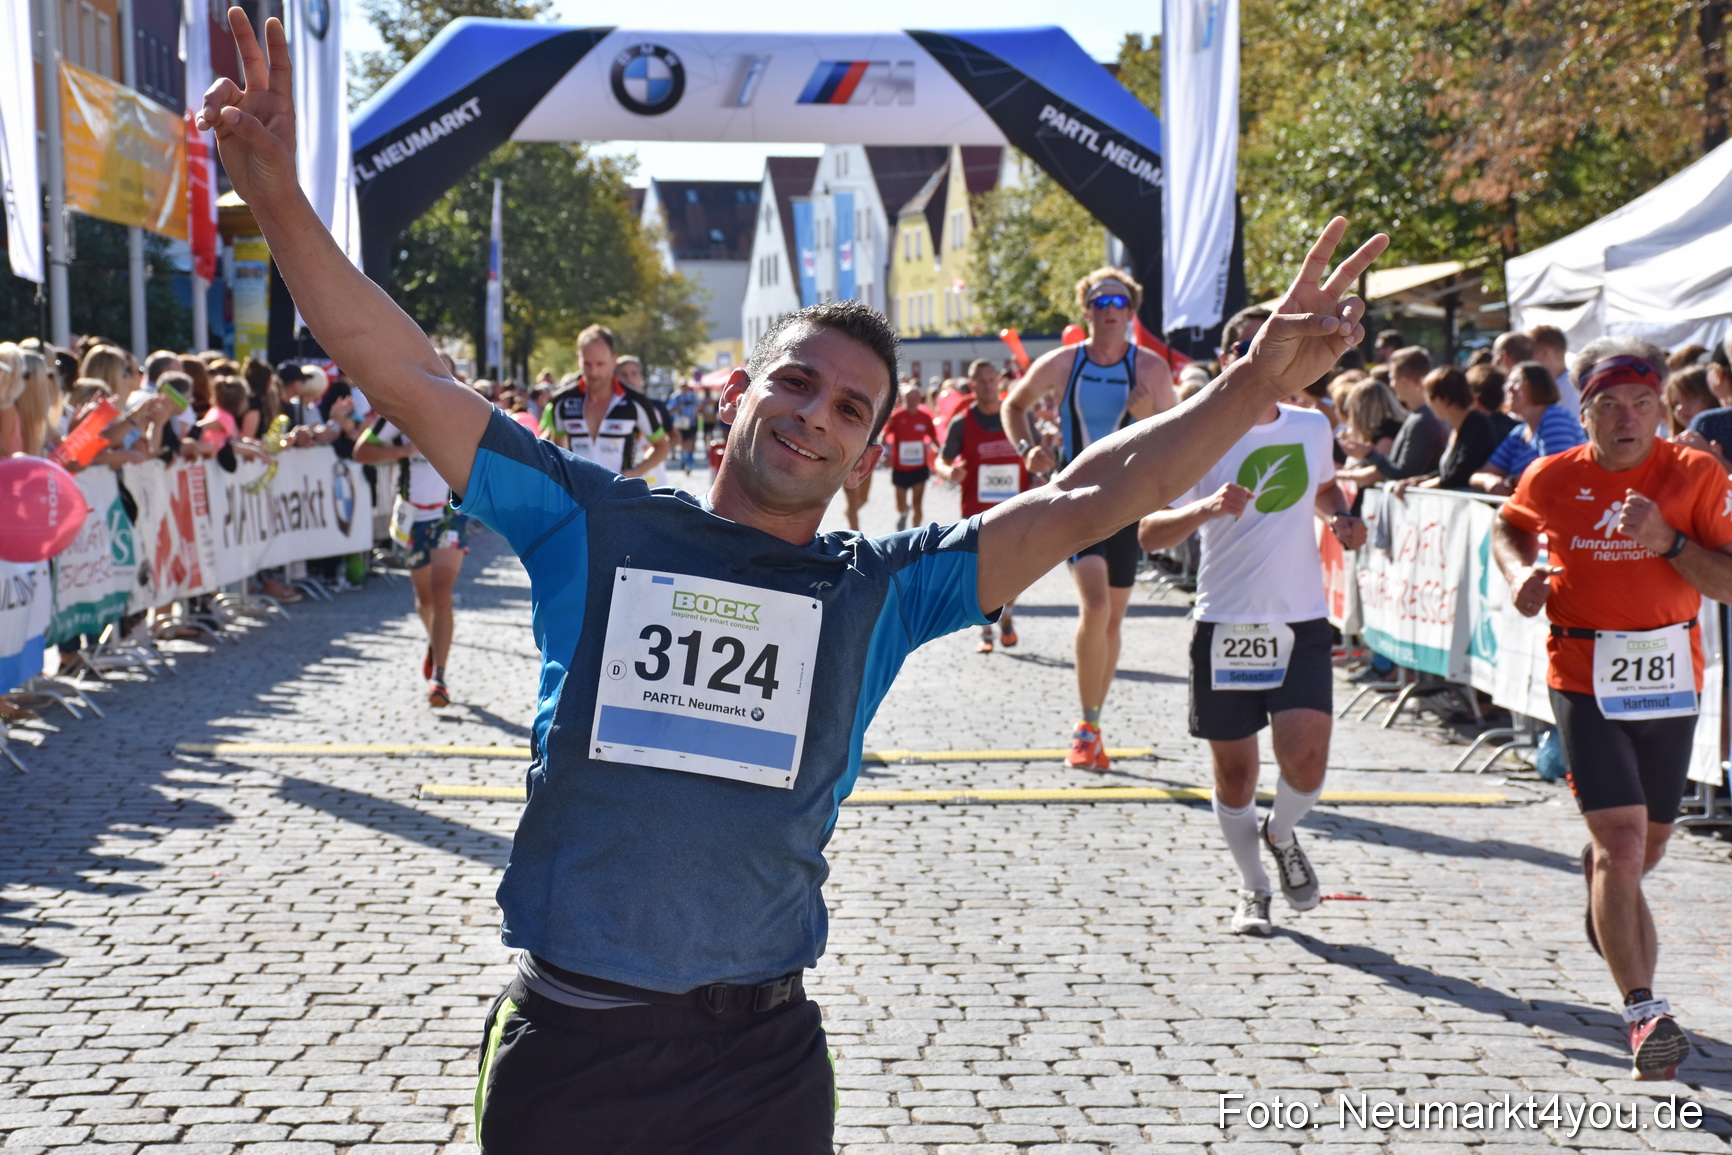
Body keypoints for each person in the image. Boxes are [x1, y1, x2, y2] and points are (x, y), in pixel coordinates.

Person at [197, 19, 1383, 1142]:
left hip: (760, 1066)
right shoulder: (592, 523)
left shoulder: (882, 588)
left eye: (851, 408)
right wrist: (280, 197)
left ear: (871, 449)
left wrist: (1243, 393)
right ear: (744, 393)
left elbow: (1081, 497)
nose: (815, 416)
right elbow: (399, 368)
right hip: (572, 1049)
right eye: (796, 383)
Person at [1493, 339, 1732, 1082]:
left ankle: (1604, 890)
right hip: (1583, 672)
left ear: (1662, 407)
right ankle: (1643, 1014)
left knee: (1642, 850)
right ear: (1584, 410)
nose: (1627, 419)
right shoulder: (1553, 474)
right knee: (1624, 843)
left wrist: (1668, 541)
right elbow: (1510, 525)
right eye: (1609, 406)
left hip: (1669, 679)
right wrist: (1518, 572)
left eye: (1642, 404)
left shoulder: (1696, 473)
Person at [1137, 387, 1366, 936]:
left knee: (1307, 761)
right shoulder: (1195, 432)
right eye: (1252, 350)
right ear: (1230, 363)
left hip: (1300, 619)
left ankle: (1281, 831)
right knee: (1236, 777)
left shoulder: (1312, 427)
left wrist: (1343, 518)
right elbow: (1149, 531)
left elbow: (1326, 489)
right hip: (1225, 623)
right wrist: (1207, 507)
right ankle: (1254, 887)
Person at [1003, 268, 1178, 770]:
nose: (1109, 308)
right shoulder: (1064, 362)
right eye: (1099, 300)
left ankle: (1094, 725)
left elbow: (1172, 439)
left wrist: (1145, 419)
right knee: (1096, 606)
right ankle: (1083, 727)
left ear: (1130, 311)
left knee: (1114, 618)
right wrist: (1027, 448)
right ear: (1087, 311)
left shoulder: (1150, 370)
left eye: (1118, 300)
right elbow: (1015, 406)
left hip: (1129, 503)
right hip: (1077, 498)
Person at [353, 414, 469, 706]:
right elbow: (361, 452)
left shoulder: (462, 411)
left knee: (442, 591)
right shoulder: (397, 415)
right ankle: (435, 642)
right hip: (413, 517)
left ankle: (439, 678)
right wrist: (402, 451)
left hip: (449, 516)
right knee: (425, 598)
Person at [935, 359, 1029, 652]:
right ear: (972, 385)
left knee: (1016, 570)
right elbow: (941, 460)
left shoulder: (1016, 417)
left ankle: (1007, 616)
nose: (988, 385)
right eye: (982, 381)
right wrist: (949, 472)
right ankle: (986, 629)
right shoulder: (962, 424)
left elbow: (1036, 449)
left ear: (999, 382)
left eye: (992, 380)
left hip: (1018, 508)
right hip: (978, 513)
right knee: (982, 574)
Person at [539, 326, 672, 479]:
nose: (593, 372)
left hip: (619, 496)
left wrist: (635, 472)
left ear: (613, 360)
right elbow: (559, 450)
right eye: (587, 364)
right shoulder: (563, 402)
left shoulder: (634, 402)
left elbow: (663, 446)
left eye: (600, 364)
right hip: (579, 496)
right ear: (578, 360)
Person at [1469, 362, 1586, 495]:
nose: (1508, 388)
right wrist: (1490, 481)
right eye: (1508, 382)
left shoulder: (1555, 417)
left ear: (1539, 386)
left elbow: (1555, 474)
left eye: (1517, 381)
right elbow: (1479, 474)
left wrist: (1512, 482)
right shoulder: (1519, 433)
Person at [1337, 346, 1443, 484]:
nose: (1391, 385)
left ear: (1403, 381)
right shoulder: (1424, 415)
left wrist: (1369, 454)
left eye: (1392, 378)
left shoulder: (1422, 419)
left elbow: (1402, 473)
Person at [1394, 367, 1499, 492]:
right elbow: (1448, 472)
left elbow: (1460, 474)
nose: (1429, 404)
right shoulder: (1456, 427)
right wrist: (1421, 480)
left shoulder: (1478, 425)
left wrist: (1420, 488)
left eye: (1429, 397)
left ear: (1441, 399)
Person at [881, 384, 940, 530]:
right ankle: (904, 513)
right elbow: (885, 436)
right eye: (909, 398)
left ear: (920, 399)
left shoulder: (925, 417)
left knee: (918, 503)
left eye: (915, 397)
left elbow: (933, 438)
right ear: (904, 399)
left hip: (920, 467)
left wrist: (940, 454)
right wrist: (886, 454)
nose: (913, 400)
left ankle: (915, 533)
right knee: (900, 505)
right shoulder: (897, 416)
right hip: (900, 467)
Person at [668, 376, 702, 470]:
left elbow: (699, 406)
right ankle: (684, 459)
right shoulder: (675, 397)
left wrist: (696, 411)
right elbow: (670, 411)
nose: (684, 388)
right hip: (680, 424)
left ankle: (689, 462)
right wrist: (679, 407)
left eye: (685, 386)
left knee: (690, 442)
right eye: (682, 386)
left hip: (691, 423)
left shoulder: (692, 396)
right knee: (682, 443)